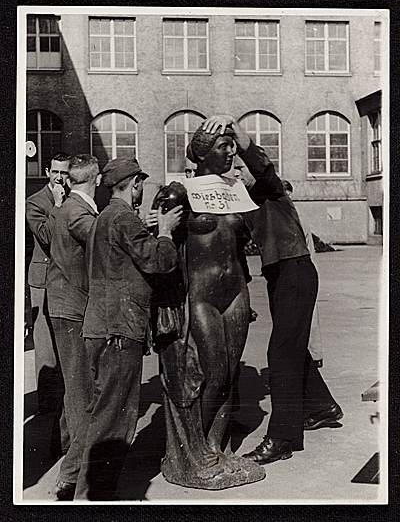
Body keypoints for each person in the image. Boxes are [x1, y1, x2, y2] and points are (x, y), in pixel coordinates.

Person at [203, 116, 344, 466]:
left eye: (240, 170)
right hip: (281, 275)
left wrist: (234, 128)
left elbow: (259, 162)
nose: (237, 174)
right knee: (291, 346)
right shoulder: (248, 199)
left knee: (280, 355)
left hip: (295, 271)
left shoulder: (271, 187)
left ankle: (282, 438)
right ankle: (323, 406)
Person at [148, 116, 269, 489]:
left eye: (233, 145)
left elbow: (245, 238)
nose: (231, 152)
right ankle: (193, 451)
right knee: (212, 374)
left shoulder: (234, 190)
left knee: (230, 375)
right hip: (200, 296)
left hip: (235, 291)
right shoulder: (179, 190)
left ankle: (217, 449)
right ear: (202, 153)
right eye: (223, 146)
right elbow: (157, 239)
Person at [54, 157, 182, 501]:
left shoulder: (106, 217)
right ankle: (95, 497)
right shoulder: (124, 218)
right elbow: (159, 261)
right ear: (136, 183)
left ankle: (71, 481)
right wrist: (166, 231)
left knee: (99, 411)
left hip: (98, 327)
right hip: (120, 331)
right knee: (116, 420)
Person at [46, 155, 101, 458]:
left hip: (65, 305)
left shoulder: (67, 207)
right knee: (80, 385)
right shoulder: (79, 212)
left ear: (69, 179)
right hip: (71, 308)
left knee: (76, 380)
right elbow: (103, 240)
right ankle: (79, 461)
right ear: (99, 179)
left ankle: (66, 445)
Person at [26, 152, 70, 456]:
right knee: (47, 350)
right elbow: (48, 236)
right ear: (46, 171)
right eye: (55, 172)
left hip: (68, 280)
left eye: (64, 173)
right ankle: (48, 415)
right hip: (43, 283)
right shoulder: (36, 202)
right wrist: (57, 204)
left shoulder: (72, 198)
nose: (59, 178)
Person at [282, 180, 323, 367]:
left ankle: (313, 354)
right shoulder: (291, 214)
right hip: (305, 269)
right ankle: (313, 354)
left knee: (306, 315)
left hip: (302, 269)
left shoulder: (292, 216)